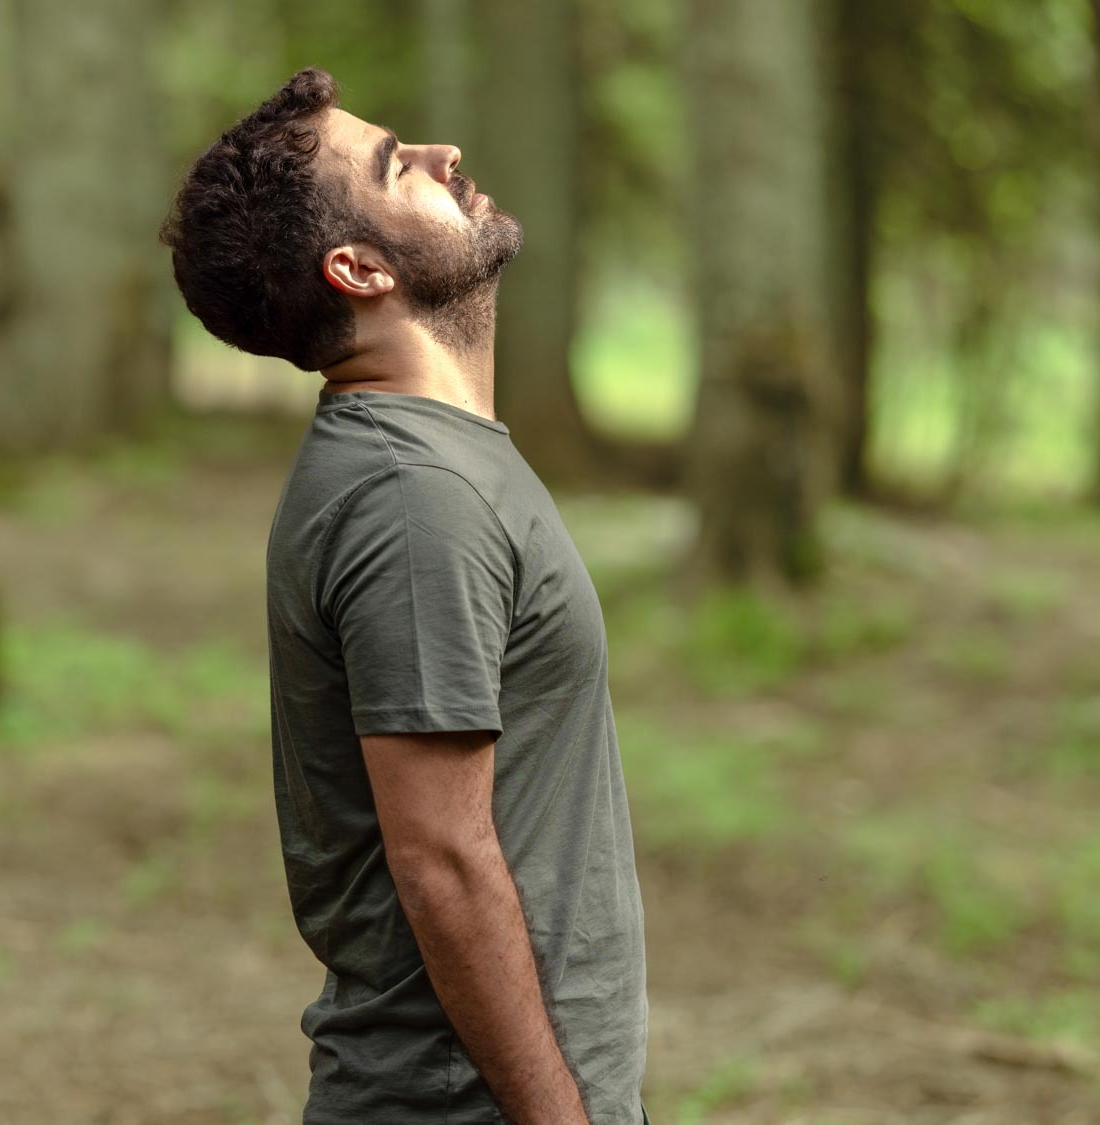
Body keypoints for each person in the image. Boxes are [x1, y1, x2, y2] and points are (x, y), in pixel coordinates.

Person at [160, 67, 651, 1125]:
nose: (442, 155)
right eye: (394, 164)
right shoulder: (409, 497)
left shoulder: (434, 461)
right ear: (357, 267)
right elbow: (440, 859)